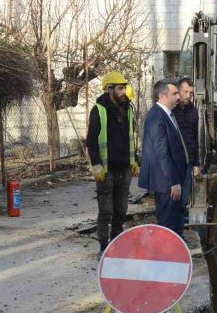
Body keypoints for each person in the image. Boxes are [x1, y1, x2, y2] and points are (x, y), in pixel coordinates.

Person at [86, 70, 139, 257]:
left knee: (121, 211)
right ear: (109, 89)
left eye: (124, 87)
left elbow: (130, 139)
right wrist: (97, 165)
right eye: (120, 88)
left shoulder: (129, 109)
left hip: (124, 169)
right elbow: (91, 141)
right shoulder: (99, 110)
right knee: (106, 212)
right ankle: (103, 247)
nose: (124, 91)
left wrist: (134, 161)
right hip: (106, 171)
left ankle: (116, 245)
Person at [138, 80, 190, 238]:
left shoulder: (167, 114)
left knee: (176, 220)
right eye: (174, 94)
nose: (179, 97)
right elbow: (162, 152)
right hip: (166, 182)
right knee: (168, 224)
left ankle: (177, 252)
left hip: (174, 178)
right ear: (162, 96)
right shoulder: (156, 117)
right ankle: (168, 257)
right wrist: (173, 181)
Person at [172, 77, 201, 209]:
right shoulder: (170, 110)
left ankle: (180, 228)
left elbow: (194, 138)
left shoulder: (193, 111)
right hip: (172, 162)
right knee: (171, 200)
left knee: (183, 200)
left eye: (191, 93)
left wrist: (196, 164)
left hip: (188, 161)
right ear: (178, 91)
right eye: (185, 92)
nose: (188, 95)